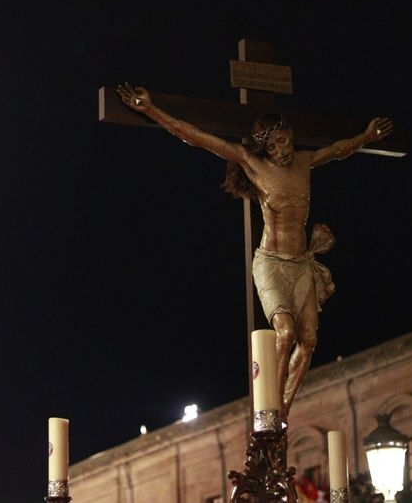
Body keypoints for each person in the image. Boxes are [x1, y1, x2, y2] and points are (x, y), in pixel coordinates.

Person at [116, 83, 393, 418]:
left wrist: (366, 136)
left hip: (301, 263)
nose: (280, 150)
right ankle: (270, 409)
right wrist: (150, 109)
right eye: (272, 146)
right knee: (285, 332)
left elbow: (338, 149)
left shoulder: (305, 161)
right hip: (271, 263)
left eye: (283, 140)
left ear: (291, 135)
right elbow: (196, 137)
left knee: (308, 341)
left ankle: (282, 413)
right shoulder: (252, 163)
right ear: (264, 150)